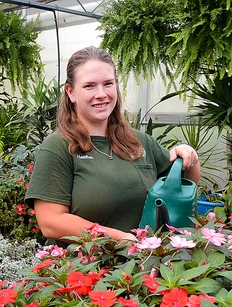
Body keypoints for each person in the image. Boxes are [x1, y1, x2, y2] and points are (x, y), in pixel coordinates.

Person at [25, 46, 201, 243]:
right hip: (85, 269)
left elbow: (185, 188)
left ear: (116, 85)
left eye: (107, 84)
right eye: (89, 86)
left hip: (141, 268)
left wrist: (189, 157)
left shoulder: (139, 142)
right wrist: (118, 238)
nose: (101, 94)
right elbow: (51, 222)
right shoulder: (59, 146)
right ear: (71, 92)